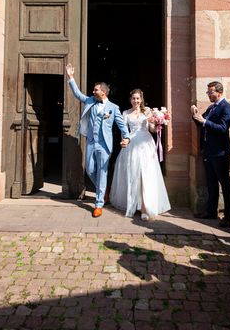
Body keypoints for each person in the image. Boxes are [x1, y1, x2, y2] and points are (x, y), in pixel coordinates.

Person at [66, 64, 131, 218]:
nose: (93, 91)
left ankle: (99, 203)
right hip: (90, 141)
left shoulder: (113, 108)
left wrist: (127, 137)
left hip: (104, 144)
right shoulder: (90, 101)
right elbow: (77, 94)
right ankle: (104, 190)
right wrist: (70, 77)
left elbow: (122, 125)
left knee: (102, 172)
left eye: (96, 90)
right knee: (89, 169)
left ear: (103, 91)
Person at [110, 89, 171, 220]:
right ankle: (132, 203)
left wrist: (158, 123)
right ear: (130, 99)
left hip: (146, 145)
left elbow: (152, 129)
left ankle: (144, 207)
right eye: (133, 98)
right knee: (133, 175)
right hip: (132, 145)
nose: (136, 101)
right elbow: (124, 131)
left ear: (141, 99)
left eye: (138, 98)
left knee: (145, 175)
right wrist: (124, 141)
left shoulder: (147, 112)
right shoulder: (126, 113)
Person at [191, 81, 230, 227]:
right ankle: (211, 211)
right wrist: (195, 114)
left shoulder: (227, 107)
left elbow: (223, 128)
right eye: (208, 92)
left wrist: (204, 121)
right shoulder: (211, 108)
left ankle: (228, 216)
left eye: (210, 92)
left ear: (219, 92)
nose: (208, 94)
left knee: (225, 183)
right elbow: (200, 122)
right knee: (211, 182)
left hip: (220, 151)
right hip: (208, 150)